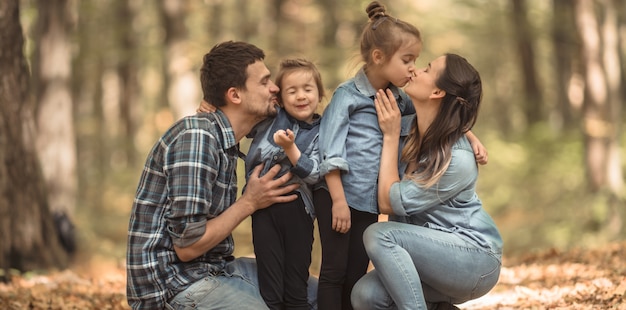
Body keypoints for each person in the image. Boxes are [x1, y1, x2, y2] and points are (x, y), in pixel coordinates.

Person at [316, 2, 487, 310]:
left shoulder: (406, 110)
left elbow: (440, 119)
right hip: (359, 208)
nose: (414, 69)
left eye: (423, 66)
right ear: (379, 57)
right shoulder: (367, 105)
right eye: (410, 60)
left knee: (368, 252)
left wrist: (468, 135)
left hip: (459, 253)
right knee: (349, 284)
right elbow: (332, 143)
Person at [126, 41, 317, 310]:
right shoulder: (198, 138)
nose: (275, 87)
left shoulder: (227, 139)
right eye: (264, 83)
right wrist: (250, 202)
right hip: (175, 287)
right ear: (235, 95)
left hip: (217, 270)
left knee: (323, 296)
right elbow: (187, 247)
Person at [350, 54, 503, 310]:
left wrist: (389, 137)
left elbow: (388, 202)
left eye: (427, 69)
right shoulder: (407, 128)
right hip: (429, 257)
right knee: (365, 295)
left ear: (437, 91)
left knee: (379, 235)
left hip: (475, 260)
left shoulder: (457, 159)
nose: (416, 70)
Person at [244, 58, 325, 309]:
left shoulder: (322, 130)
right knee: (270, 282)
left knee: (295, 282)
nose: (301, 96)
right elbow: (239, 114)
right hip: (263, 210)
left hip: (297, 209)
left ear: (320, 95)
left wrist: (290, 149)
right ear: (280, 98)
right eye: (292, 91)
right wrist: (210, 105)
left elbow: (315, 173)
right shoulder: (269, 117)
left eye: (308, 89)